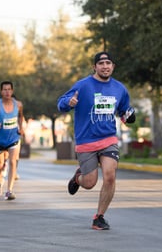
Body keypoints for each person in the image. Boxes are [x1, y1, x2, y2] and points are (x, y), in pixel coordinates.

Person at [57, 51, 136, 230]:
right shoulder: (83, 85)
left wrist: (128, 115)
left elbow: (123, 111)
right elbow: (61, 102)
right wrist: (68, 102)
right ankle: (78, 178)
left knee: (110, 176)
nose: (105, 66)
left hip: (108, 139)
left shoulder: (119, 89)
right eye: (101, 63)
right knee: (90, 182)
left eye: (108, 63)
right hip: (86, 141)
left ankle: (99, 217)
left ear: (113, 66)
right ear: (95, 67)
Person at [0, 81, 25, 200]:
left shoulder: (18, 104)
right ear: (1, 91)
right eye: (4, 90)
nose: (7, 92)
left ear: (12, 91)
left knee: (12, 162)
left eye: (9, 89)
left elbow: (21, 116)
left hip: (14, 138)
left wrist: (21, 127)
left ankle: (9, 190)